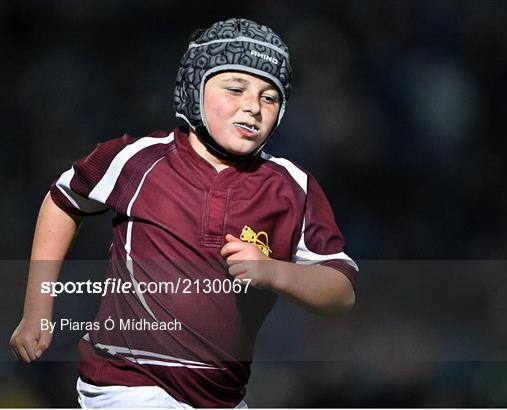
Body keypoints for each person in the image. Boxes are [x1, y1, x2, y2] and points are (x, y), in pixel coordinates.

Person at [10, 18, 358, 408]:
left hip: (222, 398)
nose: (253, 107)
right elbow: (63, 201)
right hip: (125, 383)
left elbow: (340, 292)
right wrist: (37, 308)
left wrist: (275, 271)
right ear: (194, 88)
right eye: (236, 88)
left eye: (269, 97)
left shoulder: (293, 187)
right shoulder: (136, 159)